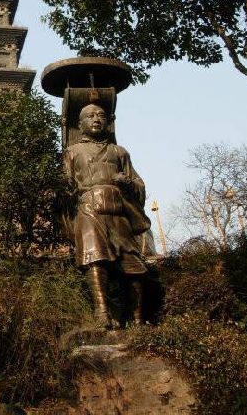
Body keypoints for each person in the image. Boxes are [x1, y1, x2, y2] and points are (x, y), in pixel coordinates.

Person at [63, 103, 151, 329]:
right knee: (95, 259)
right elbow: (66, 185)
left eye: (101, 115)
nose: (96, 119)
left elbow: (139, 184)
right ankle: (102, 312)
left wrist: (127, 182)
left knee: (133, 262)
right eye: (90, 116)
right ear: (80, 124)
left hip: (118, 210)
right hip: (89, 208)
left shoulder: (119, 152)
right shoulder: (73, 152)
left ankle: (137, 318)